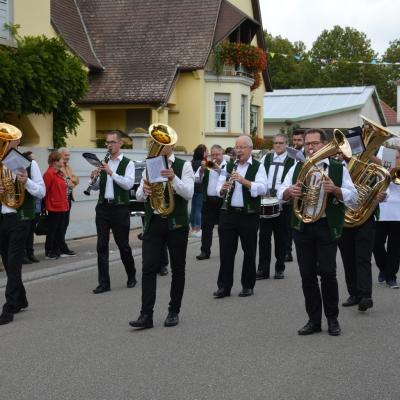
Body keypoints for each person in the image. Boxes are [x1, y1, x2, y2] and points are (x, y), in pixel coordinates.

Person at [278, 128, 357, 336]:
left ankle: (332, 319)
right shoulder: (297, 167)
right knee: (307, 275)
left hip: (325, 225)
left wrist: (336, 190)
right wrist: (289, 192)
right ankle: (313, 320)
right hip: (302, 226)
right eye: (307, 144)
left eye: (314, 143)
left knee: (329, 273)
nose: (310, 147)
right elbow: (280, 191)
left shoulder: (338, 168)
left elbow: (354, 197)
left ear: (324, 145)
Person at [130, 126, 194, 329]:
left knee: (178, 268)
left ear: (173, 146)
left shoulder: (184, 166)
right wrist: (146, 190)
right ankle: (145, 315)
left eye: (165, 143)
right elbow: (139, 195)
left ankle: (173, 311)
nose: (160, 146)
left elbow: (189, 193)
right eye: (158, 143)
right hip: (154, 221)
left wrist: (173, 178)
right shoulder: (150, 165)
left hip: (176, 224)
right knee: (148, 268)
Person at [0, 123, 46, 325]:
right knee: (8, 262)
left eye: (10, 140)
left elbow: (41, 192)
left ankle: (9, 307)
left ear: (17, 142)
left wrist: (26, 181)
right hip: (3, 218)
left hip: (21, 219)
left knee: (14, 262)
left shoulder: (29, 164)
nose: (7, 143)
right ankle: (21, 298)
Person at [213, 135, 267, 298]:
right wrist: (222, 189)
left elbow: (263, 188)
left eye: (242, 147)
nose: (239, 150)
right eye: (237, 147)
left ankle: (247, 285)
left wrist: (244, 181)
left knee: (249, 251)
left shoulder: (258, 166)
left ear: (250, 149)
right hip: (228, 214)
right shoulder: (229, 165)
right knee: (226, 252)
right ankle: (224, 287)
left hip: (248, 214)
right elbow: (218, 186)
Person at [92, 130, 137, 294]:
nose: (108, 145)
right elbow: (98, 187)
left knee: (123, 245)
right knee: (101, 246)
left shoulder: (128, 163)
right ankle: (104, 283)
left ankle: (131, 275)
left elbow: (128, 185)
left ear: (120, 143)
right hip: (103, 207)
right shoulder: (103, 162)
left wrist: (111, 173)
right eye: (107, 142)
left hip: (120, 208)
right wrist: (94, 178)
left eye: (112, 142)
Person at [257, 133, 294, 280]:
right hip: (266, 202)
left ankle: (280, 268)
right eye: (276, 143)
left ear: (286, 144)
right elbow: (260, 176)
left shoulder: (292, 161)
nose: (278, 145)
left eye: (281, 143)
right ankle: (263, 269)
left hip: (283, 204)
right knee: (264, 238)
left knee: (281, 238)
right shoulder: (266, 158)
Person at [373, 149, 400, 289]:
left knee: (395, 248)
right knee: (376, 244)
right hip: (381, 211)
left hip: (398, 213)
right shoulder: (383, 167)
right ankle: (384, 268)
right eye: (395, 157)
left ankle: (391, 276)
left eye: (399, 157)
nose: (397, 159)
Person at [195, 144, 226, 260]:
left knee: (223, 228)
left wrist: (216, 168)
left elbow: (227, 176)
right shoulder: (207, 164)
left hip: (222, 201)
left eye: (217, 154)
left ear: (222, 153)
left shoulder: (227, 165)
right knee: (206, 227)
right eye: (213, 155)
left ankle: (224, 251)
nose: (215, 157)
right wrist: (202, 170)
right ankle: (205, 251)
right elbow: (196, 179)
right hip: (208, 201)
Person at [43, 151, 70, 260]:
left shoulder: (59, 173)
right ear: (54, 162)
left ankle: (57, 249)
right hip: (53, 207)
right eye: (61, 160)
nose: (63, 161)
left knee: (59, 229)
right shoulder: (49, 174)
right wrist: (46, 206)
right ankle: (49, 250)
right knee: (52, 230)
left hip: (62, 206)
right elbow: (45, 191)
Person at [58, 147, 80, 257]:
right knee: (60, 224)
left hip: (68, 197)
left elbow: (76, 180)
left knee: (65, 223)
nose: (68, 158)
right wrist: (70, 180)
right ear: (60, 156)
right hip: (60, 199)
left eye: (69, 156)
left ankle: (61, 245)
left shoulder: (68, 167)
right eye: (66, 155)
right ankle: (60, 246)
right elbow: (68, 181)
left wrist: (71, 180)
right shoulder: (58, 168)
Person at [22, 151, 42, 264]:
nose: (34, 161)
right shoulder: (24, 170)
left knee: (30, 231)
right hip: (26, 205)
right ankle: (24, 254)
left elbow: (39, 189)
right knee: (25, 231)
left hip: (35, 205)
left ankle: (30, 253)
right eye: (32, 159)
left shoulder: (34, 170)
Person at [190, 144, 208, 237]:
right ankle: (198, 228)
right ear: (203, 153)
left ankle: (193, 228)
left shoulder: (191, 162)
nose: (207, 153)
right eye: (206, 151)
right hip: (201, 187)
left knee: (193, 208)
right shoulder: (204, 163)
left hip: (193, 187)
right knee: (199, 209)